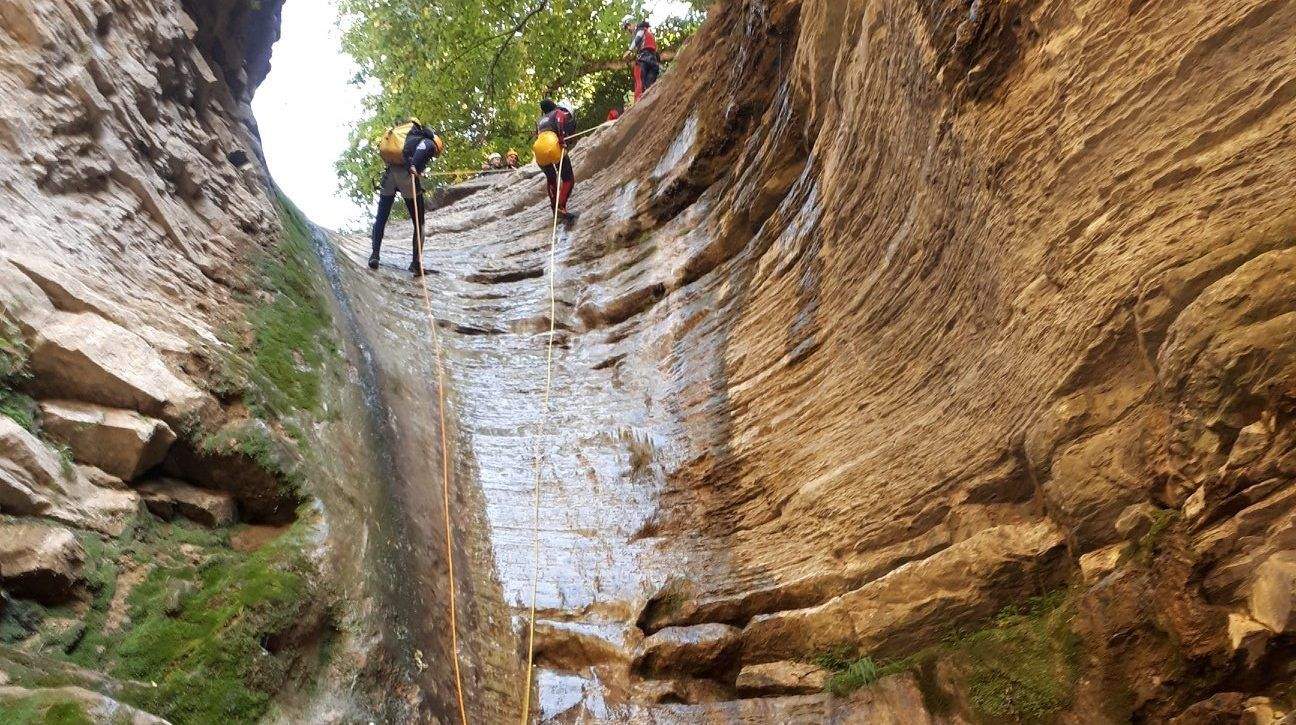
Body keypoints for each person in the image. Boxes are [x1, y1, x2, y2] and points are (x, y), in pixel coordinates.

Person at [370, 119, 443, 275]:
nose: (434, 155)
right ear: (437, 145)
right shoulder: (429, 142)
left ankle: (374, 255)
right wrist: (414, 166)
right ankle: (416, 264)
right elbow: (421, 152)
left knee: (381, 217)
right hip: (407, 178)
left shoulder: (405, 138)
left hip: (390, 175)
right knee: (419, 223)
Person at [533, 98, 576, 222]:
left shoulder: (540, 120)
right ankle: (561, 207)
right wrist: (562, 140)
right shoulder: (558, 113)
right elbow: (560, 123)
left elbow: (537, 135)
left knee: (551, 179)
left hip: (538, 148)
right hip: (552, 144)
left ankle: (554, 209)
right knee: (568, 179)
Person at [622, 17, 660, 102]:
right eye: (626, 27)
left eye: (628, 25)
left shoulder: (640, 29)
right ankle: (650, 100)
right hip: (653, 60)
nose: (628, 29)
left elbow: (638, 38)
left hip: (644, 59)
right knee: (649, 85)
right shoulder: (647, 31)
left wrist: (629, 50)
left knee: (639, 79)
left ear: (633, 22)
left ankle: (638, 103)